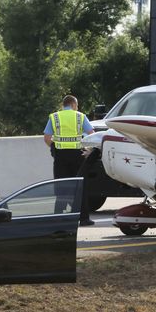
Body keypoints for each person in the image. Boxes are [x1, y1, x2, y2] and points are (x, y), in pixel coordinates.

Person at [43, 95, 95, 226]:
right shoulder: (80, 116)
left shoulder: (54, 117)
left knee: (62, 187)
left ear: (63, 105)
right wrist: (88, 150)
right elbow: (92, 134)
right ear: (73, 104)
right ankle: (83, 218)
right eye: (76, 106)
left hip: (60, 157)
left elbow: (47, 138)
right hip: (78, 156)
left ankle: (59, 217)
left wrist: (55, 149)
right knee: (79, 187)